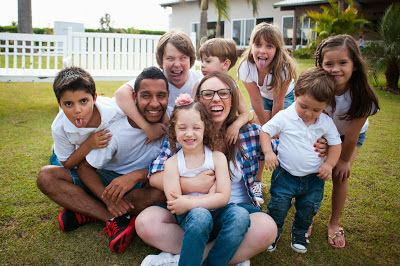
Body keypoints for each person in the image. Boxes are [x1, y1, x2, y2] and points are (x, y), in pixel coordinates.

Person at [136, 73, 278, 266]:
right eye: (208, 93)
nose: (216, 98)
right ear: (199, 100)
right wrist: (192, 185)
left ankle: (182, 259)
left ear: (232, 98)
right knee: (146, 222)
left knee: (267, 228)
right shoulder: (186, 133)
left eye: (223, 93)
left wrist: (321, 145)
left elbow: (283, 149)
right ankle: (227, 255)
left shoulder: (249, 133)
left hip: (233, 208)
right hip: (188, 210)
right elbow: (155, 175)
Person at [37, 66, 167, 254]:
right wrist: (108, 199)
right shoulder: (105, 131)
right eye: (68, 104)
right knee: (48, 175)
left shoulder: (117, 112)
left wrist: (136, 174)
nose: (78, 110)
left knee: (160, 192)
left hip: (130, 181)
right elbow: (77, 166)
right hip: (95, 170)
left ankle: (84, 210)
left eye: (83, 101)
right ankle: (112, 218)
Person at [159, 94, 250, 265]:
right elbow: (176, 204)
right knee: (201, 215)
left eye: (196, 128)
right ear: (173, 131)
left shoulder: (217, 158)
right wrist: (209, 196)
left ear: (205, 129)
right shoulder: (172, 164)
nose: (189, 134)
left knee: (241, 215)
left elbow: (223, 197)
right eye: (182, 128)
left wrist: (191, 200)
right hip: (191, 219)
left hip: (218, 216)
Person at [260, 67, 342, 253]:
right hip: (285, 175)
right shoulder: (285, 116)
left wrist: (329, 164)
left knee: (308, 210)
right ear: (296, 95)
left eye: (316, 109)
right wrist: (269, 153)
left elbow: (336, 144)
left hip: (313, 179)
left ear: (325, 105)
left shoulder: (325, 122)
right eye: (303, 106)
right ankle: (273, 233)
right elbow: (265, 131)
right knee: (278, 207)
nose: (308, 113)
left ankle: (299, 233)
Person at [315, 34, 380, 248]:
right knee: (312, 170)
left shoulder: (363, 96)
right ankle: (306, 217)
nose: (335, 69)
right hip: (324, 133)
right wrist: (321, 141)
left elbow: (352, 134)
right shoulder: (317, 87)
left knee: (340, 175)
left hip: (349, 136)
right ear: (320, 65)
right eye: (329, 64)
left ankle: (334, 222)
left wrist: (342, 161)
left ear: (355, 65)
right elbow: (310, 117)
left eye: (343, 63)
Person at [238, 22, 298, 204]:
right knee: (259, 135)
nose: (262, 51)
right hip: (262, 98)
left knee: (283, 136)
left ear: (278, 49)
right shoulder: (245, 67)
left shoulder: (284, 67)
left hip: (285, 99)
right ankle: (257, 182)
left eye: (269, 46)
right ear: (251, 47)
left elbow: (279, 102)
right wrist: (265, 130)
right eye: (258, 45)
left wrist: (274, 129)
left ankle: (287, 183)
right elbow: (255, 100)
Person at [114, 29, 203, 143]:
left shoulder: (200, 80)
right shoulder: (156, 80)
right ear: (161, 60)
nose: (177, 64)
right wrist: (146, 127)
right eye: (170, 58)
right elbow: (121, 94)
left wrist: (234, 123)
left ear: (191, 59)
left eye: (183, 58)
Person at [197, 37, 250, 146]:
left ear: (225, 64)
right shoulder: (199, 84)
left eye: (208, 61)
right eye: (202, 61)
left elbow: (244, 113)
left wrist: (235, 126)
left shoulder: (233, 86)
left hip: (226, 134)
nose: (202, 65)